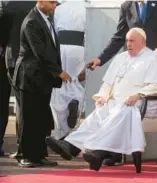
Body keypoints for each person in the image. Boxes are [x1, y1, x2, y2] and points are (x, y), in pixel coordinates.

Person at [46, 27, 157, 172]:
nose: (128, 44)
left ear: (143, 42)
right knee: (98, 115)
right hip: (119, 102)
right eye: (127, 41)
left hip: (141, 102)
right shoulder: (121, 57)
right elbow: (108, 83)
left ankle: (98, 152)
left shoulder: (153, 59)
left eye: (132, 41)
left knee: (121, 112)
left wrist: (137, 95)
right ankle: (71, 146)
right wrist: (103, 96)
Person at [87, 0, 157, 166]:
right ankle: (114, 153)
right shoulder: (127, 6)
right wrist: (100, 58)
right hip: (135, 68)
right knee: (116, 102)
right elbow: (119, 37)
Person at [12, 0, 71, 167]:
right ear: (41, 1)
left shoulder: (46, 20)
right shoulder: (31, 21)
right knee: (28, 117)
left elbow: (50, 49)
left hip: (42, 79)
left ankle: (38, 155)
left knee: (41, 118)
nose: (54, 6)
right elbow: (40, 52)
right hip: (29, 77)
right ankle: (25, 155)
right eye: (52, 2)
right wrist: (58, 72)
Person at [0, 0, 36, 157]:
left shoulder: (7, 4)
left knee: (2, 102)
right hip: (32, 60)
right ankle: (26, 146)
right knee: (28, 104)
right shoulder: (39, 4)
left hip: (8, 57)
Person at [50, 0, 88, 140]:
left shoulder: (59, 8)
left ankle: (61, 132)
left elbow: (53, 29)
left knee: (59, 85)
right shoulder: (86, 7)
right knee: (75, 81)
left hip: (60, 48)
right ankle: (76, 102)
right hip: (78, 49)